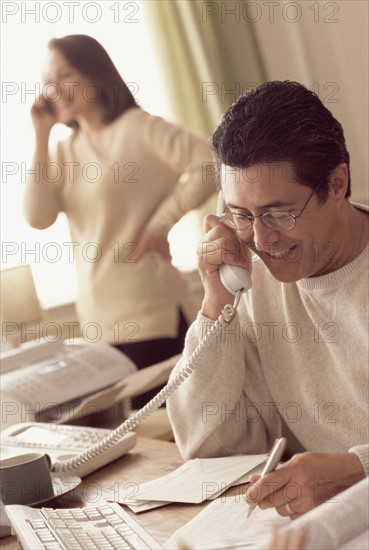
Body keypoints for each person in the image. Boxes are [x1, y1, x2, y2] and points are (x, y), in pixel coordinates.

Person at [167, 81, 368, 518]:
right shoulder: (256, 284)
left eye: (279, 213)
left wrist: (358, 469)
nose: (261, 241)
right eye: (242, 215)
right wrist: (216, 304)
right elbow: (213, 450)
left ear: (337, 183)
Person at [23, 34, 215, 409]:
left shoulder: (139, 127)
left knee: (169, 430)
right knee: (133, 446)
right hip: (98, 323)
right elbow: (37, 216)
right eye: (48, 81)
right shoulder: (63, 152)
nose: (53, 89)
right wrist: (40, 135)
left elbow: (210, 164)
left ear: (96, 74)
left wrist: (159, 225)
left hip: (151, 313)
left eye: (64, 75)